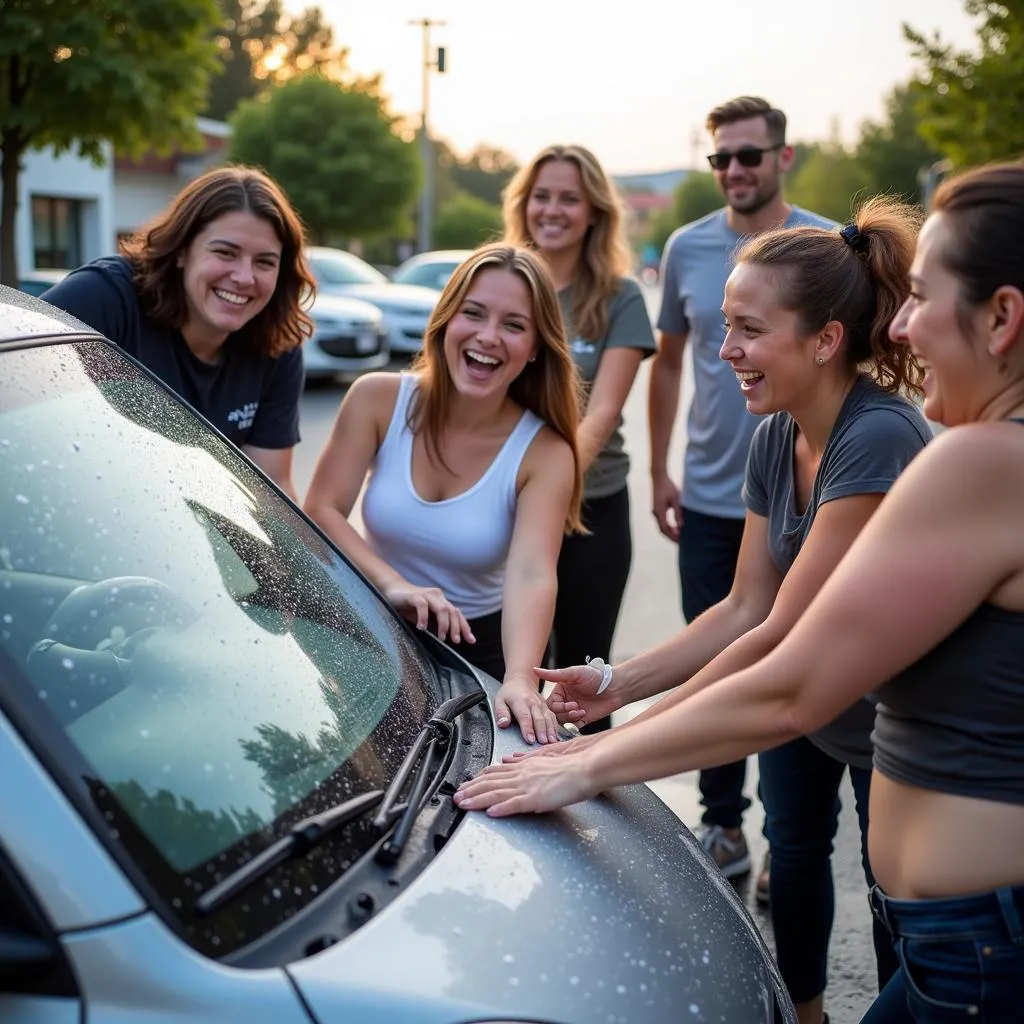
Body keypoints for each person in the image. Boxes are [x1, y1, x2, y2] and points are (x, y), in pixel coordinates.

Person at [457, 198, 934, 1024]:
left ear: (824, 341)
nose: (726, 351)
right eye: (725, 325)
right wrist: (614, 685)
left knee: (898, 906)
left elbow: (785, 631)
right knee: (791, 858)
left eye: (749, 330)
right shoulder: (776, 434)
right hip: (808, 707)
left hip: (896, 724)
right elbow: (744, 605)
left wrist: (621, 749)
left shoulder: (879, 437)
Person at [651, 96, 835, 878]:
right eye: (720, 158)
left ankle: (790, 840)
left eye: (748, 156)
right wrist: (662, 465)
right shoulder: (687, 247)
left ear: (782, 158)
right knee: (712, 654)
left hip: (813, 504)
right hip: (715, 497)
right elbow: (666, 362)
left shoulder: (831, 248)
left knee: (788, 657)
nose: (733, 170)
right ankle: (723, 826)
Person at [304, 243, 584, 746]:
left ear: (537, 346)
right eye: (473, 313)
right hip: (371, 627)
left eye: (514, 325)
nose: (487, 337)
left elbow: (531, 571)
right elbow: (322, 509)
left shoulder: (546, 451)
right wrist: (393, 585)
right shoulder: (375, 398)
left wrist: (521, 676)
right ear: (446, 318)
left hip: (479, 655)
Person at [41, 166, 313, 500]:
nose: (244, 277)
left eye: (265, 262)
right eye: (225, 252)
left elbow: (270, 490)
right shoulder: (105, 298)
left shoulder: (277, 342)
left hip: (179, 532)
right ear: (182, 250)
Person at [503, 144, 656, 732]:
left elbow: (603, 411)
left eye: (569, 197)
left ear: (594, 211)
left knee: (581, 683)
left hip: (591, 508)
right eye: (542, 195)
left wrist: (555, 488)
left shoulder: (619, 298)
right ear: (525, 204)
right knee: (513, 673)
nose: (553, 209)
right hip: (508, 505)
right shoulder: (507, 282)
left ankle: (587, 813)